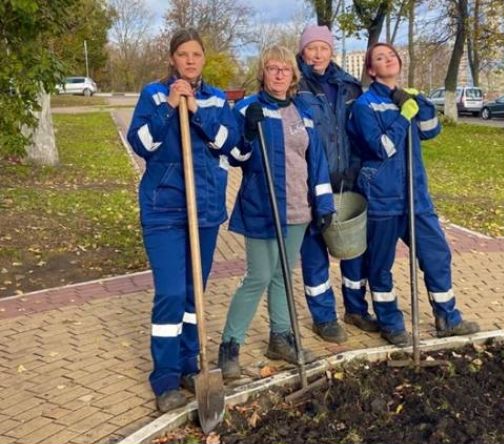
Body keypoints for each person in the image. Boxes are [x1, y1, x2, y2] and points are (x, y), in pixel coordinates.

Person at [127, 30, 242, 412]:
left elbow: (230, 142)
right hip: (164, 209)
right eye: (182, 54)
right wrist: (170, 107)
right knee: (172, 293)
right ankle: (164, 376)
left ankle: (190, 366)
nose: (190, 60)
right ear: (172, 58)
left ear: (203, 58)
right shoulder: (153, 95)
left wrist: (197, 111)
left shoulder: (215, 98)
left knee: (195, 295)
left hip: (205, 209)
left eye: (196, 54)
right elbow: (141, 143)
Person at [348, 42, 480, 345]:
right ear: (371, 70)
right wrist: (403, 115)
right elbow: (382, 148)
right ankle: (391, 323)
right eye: (380, 58)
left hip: (416, 195)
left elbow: (431, 130)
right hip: (382, 196)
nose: (388, 59)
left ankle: (447, 318)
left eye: (391, 55)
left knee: (437, 254)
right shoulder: (364, 106)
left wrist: (420, 104)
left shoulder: (409, 98)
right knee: (380, 265)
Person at [219, 44, 336, 374]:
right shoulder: (246, 109)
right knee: (258, 276)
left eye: (285, 69)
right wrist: (247, 134)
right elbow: (234, 157)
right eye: (273, 68)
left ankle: (281, 338)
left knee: (284, 276)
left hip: (298, 209)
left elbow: (317, 162)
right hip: (262, 207)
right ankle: (229, 346)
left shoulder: (303, 114)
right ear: (263, 73)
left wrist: (323, 203)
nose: (280, 74)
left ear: (294, 76)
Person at [295, 25, 378, 340]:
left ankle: (356, 309)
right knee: (315, 250)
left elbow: (358, 133)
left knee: (353, 248)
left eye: (323, 48)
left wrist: (355, 170)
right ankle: (324, 317)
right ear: (303, 51)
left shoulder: (349, 86)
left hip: (347, 180)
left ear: (331, 51)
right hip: (310, 184)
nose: (317, 54)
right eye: (312, 48)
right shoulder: (295, 85)